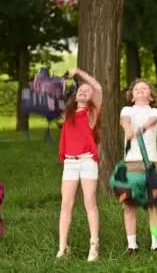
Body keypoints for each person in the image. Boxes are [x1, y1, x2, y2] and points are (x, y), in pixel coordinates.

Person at [56, 68, 102, 262]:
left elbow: (98, 87)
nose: (84, 91)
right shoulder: (69, 113)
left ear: (91, 97)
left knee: (89, 202)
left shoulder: (92, 113)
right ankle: (62, 247)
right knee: (66, 204)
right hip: (70, 163)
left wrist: (78, 72)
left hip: (87, 161)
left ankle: (94, 247)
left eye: (87, 91)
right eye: (80, 90)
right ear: (75, 95)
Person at [120, 79, 157, 253]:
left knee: (153, 204)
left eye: (144, 88)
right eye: (136, 89)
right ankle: (132, 244)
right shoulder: (127, 110)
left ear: (151, 96)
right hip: (131, 162)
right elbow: (124, 120)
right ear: (131, 97)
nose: (140, 90)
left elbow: (152, 120)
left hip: (150, 161)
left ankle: (155, 243)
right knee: (129, 204)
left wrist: (142, 128)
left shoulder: (155, 112)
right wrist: (128, 129)